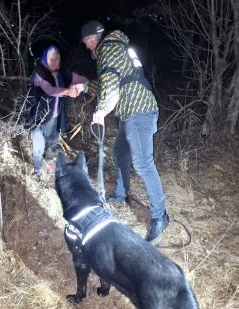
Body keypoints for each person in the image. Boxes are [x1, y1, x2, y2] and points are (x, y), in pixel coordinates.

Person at [74, 20, 169, 244]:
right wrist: (84, 86)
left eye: (86, 42)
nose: (87, 47)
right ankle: (120, 193)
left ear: (93, 39)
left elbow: (110, 83)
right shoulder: (115, 48)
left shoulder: (108, 48)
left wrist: (102, 109)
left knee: (144, 164)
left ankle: (160, 216)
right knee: (120, 152)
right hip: (131, 111)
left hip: (139, 111)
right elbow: (110, 80)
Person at [27, 45, 87, 178]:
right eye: (51, 59)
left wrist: (79, 85)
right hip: (38, 117)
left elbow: (75, 80)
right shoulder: (39, 72)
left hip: (54, 118)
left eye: (57, 59)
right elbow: (49, 90)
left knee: (52, 144)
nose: (55, 62)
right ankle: (37, 170)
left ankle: (49, 166)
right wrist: (67, 91)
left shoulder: (59, 74)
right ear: (44, 59)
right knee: (38, 146)